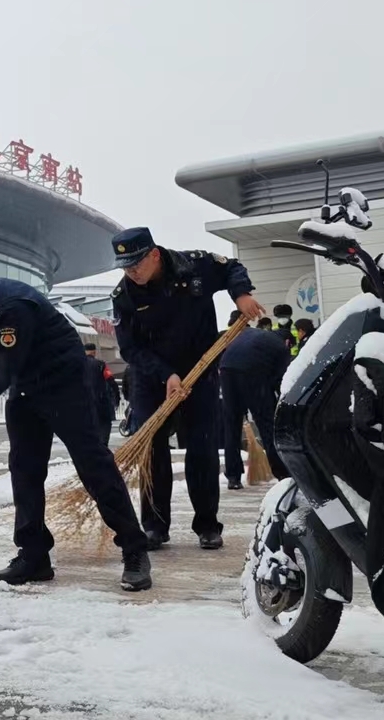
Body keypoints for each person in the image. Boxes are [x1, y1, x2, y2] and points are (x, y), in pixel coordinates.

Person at [0, 252, 152, 592]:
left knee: (93, 464)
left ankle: (134, 549)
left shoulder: (10, 305)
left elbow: (2, 371)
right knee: (24, 469)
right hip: (25, 387)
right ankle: (33, 556)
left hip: (63, 383)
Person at [110, 228, 262, 551]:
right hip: (152, 379)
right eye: (125, 267)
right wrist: (166, 374)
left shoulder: (193, 266)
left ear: (154, 254)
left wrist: (241, 295)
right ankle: (154, 526)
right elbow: (130, 349)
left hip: (200, 371)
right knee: (151, 451)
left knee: (202, 447)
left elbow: (231, 267)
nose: (131, 272)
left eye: (136, 264)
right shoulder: (124, 295)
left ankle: (207, 525)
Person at [218, 310, 291, 488]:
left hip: (227, 369)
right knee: (266, 424)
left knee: (232, 424)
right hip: (252, 373)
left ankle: (233, 477)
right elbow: (281, 381)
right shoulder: (281, 347)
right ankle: (282, 474)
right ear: (288, 341)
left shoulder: (252, 334)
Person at [83, 342, 120, 445]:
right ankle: (103, 446)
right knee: (105, 425)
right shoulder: (101, 365)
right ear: (94, 352)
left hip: (84, 402)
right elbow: (111, 381)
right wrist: (117, 398)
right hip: (100, 401)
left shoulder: (78, 365)